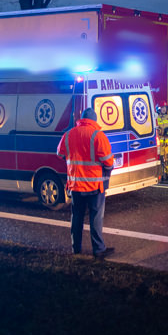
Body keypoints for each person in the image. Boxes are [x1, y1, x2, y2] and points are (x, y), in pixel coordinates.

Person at [56, 107, 115, 259]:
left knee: (77, 217)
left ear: (81, 119)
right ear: (94, 120)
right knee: (95, 217)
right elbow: (108, 162)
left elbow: (60, 153)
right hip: (95, 186)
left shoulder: (68, 134)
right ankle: (98, 249)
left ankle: (76, 248)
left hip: (75, 184)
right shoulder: (98, 135)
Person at [156, 102, 168, 181]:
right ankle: (160, 175)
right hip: (160, 142)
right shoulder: (156, 117)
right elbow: (156, 129)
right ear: (159, 108)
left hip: (167, 142)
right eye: (162, 107)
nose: (164, 109)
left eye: (165, 107)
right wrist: (163, 131)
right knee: (160, 159)